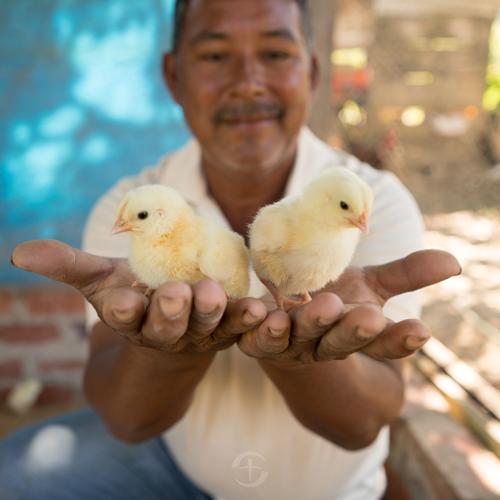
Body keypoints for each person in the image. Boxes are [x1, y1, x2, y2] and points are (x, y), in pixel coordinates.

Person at [0, 1, 460, 499]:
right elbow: (127, 420)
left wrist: (298, 353)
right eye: (216, 56)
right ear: (173, 76)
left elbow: (364, 423)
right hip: (174, 463)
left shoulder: (377, 202)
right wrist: (173, 350)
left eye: (276, 53)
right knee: (14, 471)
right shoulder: (136, 204)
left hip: (317, 489)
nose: (247, 81)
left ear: (312, 72)